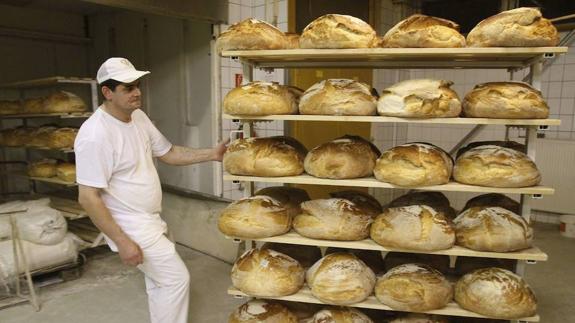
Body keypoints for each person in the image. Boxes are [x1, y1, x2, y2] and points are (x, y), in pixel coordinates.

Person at [74, 57, 227, 323]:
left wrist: (212, 154)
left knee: (160, 285)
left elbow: (168, 153)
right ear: (107, 92)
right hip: (130, 223)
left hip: (150, 218)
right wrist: (123, 241)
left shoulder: (138, 117)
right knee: (175, 279)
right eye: (128, 88)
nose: (137, 92)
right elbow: (88, 197)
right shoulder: (95, 135)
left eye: (137, 85)